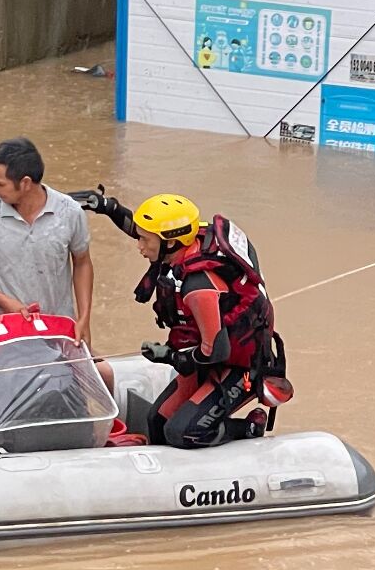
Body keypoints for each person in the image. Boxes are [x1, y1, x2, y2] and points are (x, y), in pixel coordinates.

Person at [76, 189, 292, 448]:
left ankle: (250, 427)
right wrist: (109, 207)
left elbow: (216, 351)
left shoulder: (197, 287)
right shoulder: (183, 244)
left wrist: (170, 355)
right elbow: (141, 230)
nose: (139, 246)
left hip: (239, 367)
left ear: (170, 242)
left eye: (145, 241)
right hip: (210, 356)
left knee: (183, 433)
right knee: (156, 422)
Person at [0, 137, 112, 389]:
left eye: (1, 183)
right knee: (11, 401)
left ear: (25, 183)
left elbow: (82, 263)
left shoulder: (69, 212)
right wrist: (4, 302)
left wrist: (84, 318)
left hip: (56, 327)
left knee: (72, 395)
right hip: (5, 333)